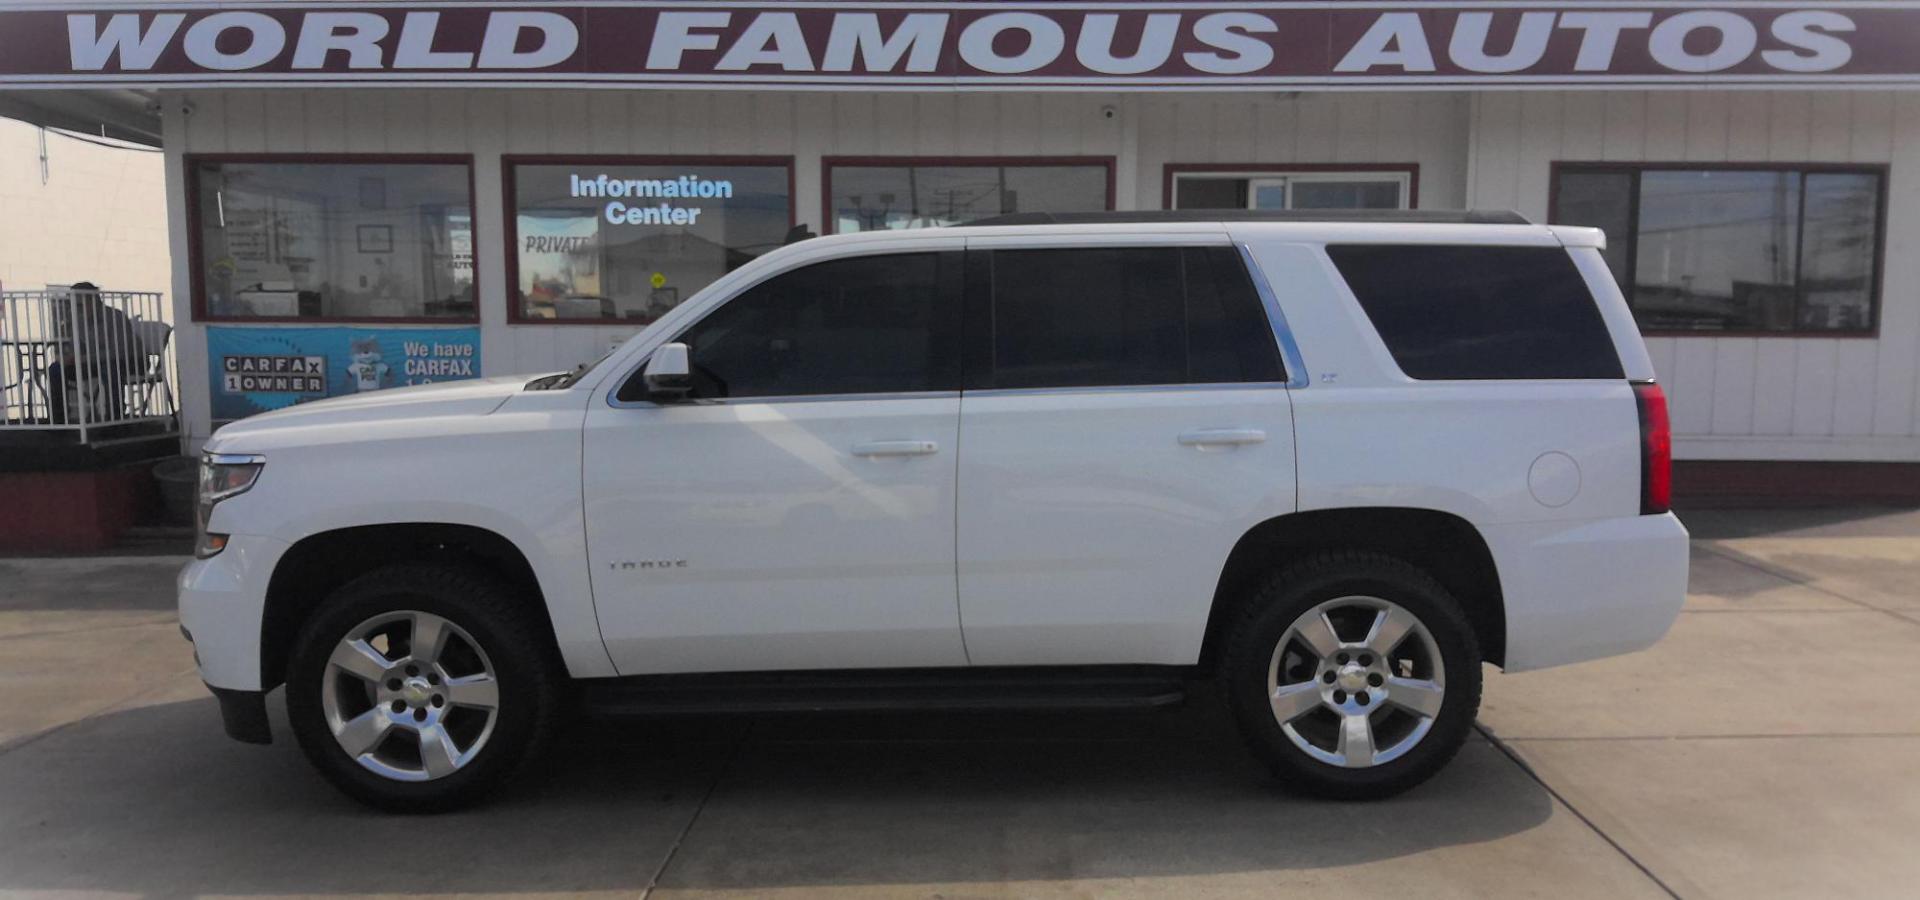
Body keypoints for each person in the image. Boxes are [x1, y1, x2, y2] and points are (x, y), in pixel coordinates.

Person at [46, 282, 143, 424]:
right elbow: (77, 348)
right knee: (55, 369)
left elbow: (119, 352)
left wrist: (82, 358)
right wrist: (68, 358)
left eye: (78, 304)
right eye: (72, 304)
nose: (75, 308)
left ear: (92, 300)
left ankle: (115, 419)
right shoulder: (78, 320)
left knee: (110, 368)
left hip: (129, 361)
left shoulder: (115, 317)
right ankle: (59, 420)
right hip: (94, 362)